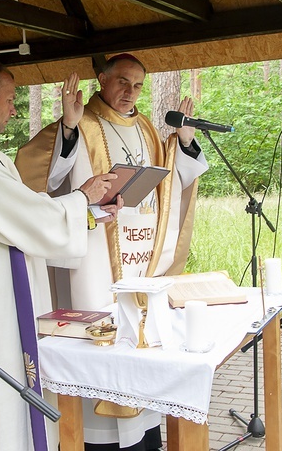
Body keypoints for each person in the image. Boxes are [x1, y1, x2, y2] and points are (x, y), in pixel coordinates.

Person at [15, 53, 209, 450]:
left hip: (141, 254)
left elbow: (171, 185)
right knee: (99, 334)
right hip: (94, 253)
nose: (129, 92)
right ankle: (95, 438)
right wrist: (68, 127)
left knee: (140, 335)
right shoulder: (80, 123)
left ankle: (143, 430)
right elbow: (42, 178)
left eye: (137, 85)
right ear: (101, 78)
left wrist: (184, 144)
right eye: (122, 81)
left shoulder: (149, 130)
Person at [0, 59, 120, 451]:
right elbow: (24, 215)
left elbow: (21, 208)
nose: (14, 108)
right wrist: (83, 197)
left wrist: (88, 211)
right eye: (11, 98)